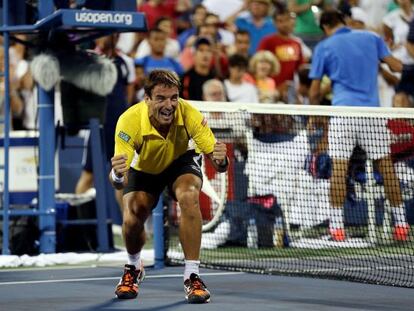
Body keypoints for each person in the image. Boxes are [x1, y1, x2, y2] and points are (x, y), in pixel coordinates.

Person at [110, 69, 229, 303]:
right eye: (161, 98)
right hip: (144, 167)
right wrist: (116, 174)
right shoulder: (129, 121)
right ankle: (133, 267)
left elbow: (219, 163)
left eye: (174, 97)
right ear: (147, 99)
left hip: (180, 162)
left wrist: (222, 160)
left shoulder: (190, 115)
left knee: (189, 196)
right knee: (133, 215)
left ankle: (192, 276)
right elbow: (118, 181)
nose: (170, 104)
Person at [309, 10, 409, 242]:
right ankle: (402, 225)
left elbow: (314, 91)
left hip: (343, 114)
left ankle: (336, 228)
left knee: (339, 169)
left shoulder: (324, 47)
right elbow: (396, 66)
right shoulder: (371, 38)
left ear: (324, 27)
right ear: (344, 22)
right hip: (371, 114)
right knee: (386, 166)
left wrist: (313, 114)